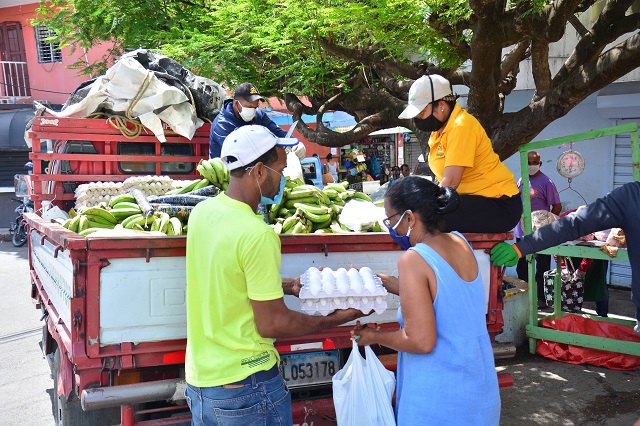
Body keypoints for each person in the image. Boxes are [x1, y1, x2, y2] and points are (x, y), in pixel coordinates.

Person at [185, 125, 366, 425]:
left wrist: (285, 286)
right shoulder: (257, 234)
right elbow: (273, 323)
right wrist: (337, 318)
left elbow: (225, 278)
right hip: (247, 387)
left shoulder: (203, 214)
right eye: (280, 169)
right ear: (258, 171)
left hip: (202, 384)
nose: (283, 178)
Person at [351, 176, 500, 424]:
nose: (392, 229)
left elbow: (420, 341)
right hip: (478, 394)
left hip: (438, 401)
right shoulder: (460, 242)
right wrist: (383, 281)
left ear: (410, 218)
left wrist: (373, 336)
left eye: (391, 220)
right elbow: (445, 294)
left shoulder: (413, 259)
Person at [490, 181, 640, 333]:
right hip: (575, 256)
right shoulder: (631, 196)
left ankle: (603, 315)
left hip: (594, 257)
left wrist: (581, 269)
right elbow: (566, 229)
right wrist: (521, 249)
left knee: (599, 287)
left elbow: (577, 233)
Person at [398, 74, 521, 233]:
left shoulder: (461, 126)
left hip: (499, 204)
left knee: (427, 219)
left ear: (441, 105)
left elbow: (450, 182)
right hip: (473, 201)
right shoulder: (438, 132)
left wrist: (419, 205)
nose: (417, 118)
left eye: (421, 112)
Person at [516, 151, 562, 309]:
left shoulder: (547, 182)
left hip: (540, 232)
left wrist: (547, 226)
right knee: (521, 265)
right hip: (521, 231)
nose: (531, 166)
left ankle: (542, 299)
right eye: (528, 162)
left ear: (540, 164)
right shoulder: (522, 180)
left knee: (542, 265)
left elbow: (557, 206)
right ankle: (524, 297)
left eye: (534, 162)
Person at [209, 82, 288, 159]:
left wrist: (293, 143)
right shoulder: (222, 125)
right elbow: (240, 153)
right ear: (236, 104)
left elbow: (277, 132)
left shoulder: (258, 115)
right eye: (249, 107)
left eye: (255, 107)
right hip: (227, 169)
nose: (253, 110)